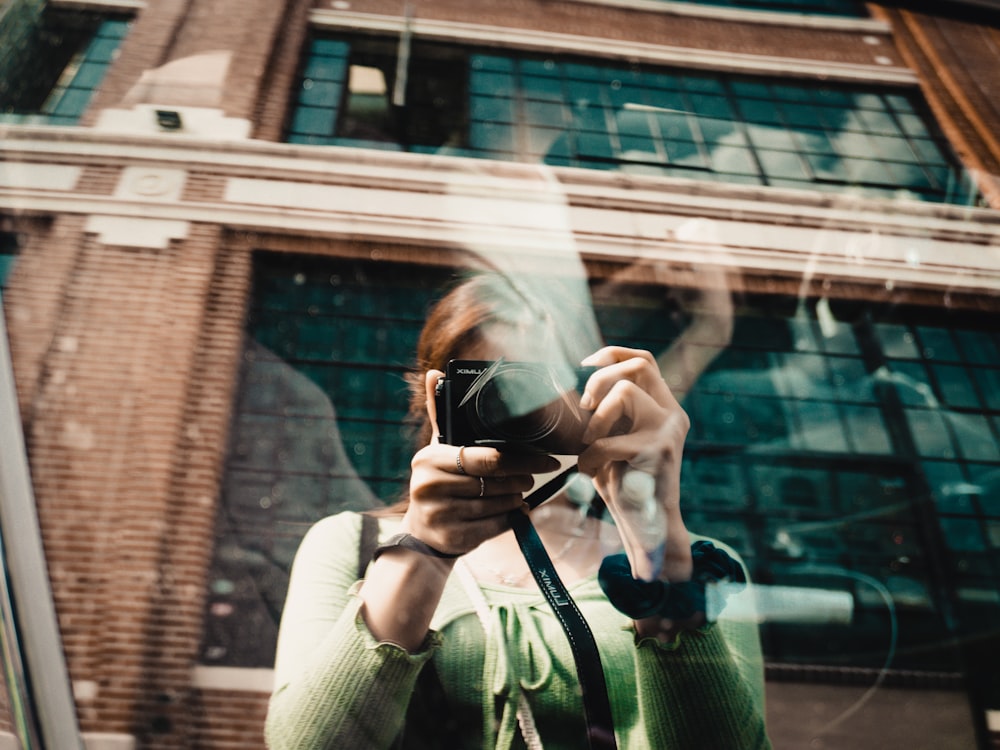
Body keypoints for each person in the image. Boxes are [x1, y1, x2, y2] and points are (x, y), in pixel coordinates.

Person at [264, 272, 771, 749]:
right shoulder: (353, 545)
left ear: (595, 391)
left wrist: (657, 544)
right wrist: (423, 548)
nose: (518, 409)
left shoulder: (695, 563)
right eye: (490, 385)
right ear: (436, 398)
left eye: (542, 381)